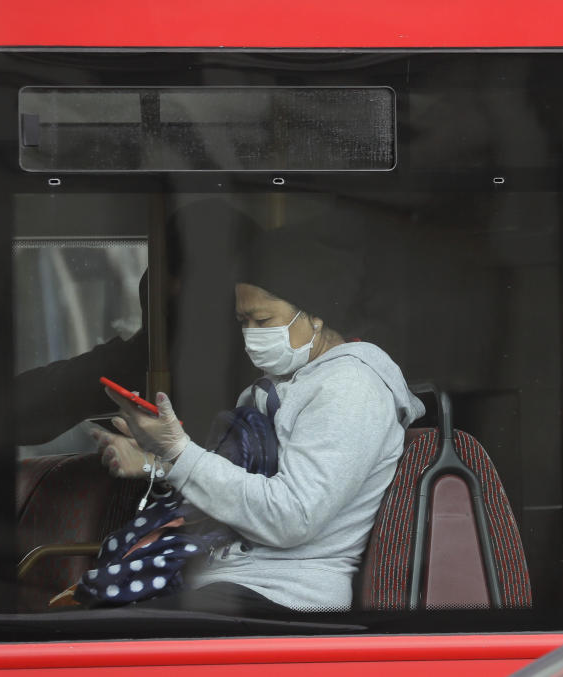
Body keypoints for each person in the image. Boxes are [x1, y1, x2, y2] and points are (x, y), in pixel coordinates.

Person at [92, 216, 425, 612]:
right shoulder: (273, 387)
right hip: (226, 581)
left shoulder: (350, 387)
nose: (251, 334)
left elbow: (292, 516)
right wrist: (156, 464)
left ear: (316, 315)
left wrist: (180, 453)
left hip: (282, 596)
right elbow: (238, 490)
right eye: (243, 321)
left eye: (263, 320)